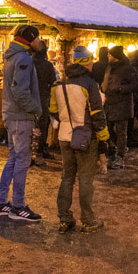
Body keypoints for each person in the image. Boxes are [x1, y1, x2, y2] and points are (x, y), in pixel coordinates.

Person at [53, 45, 107, 232]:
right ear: (86, 63)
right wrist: (103, 139)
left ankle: (65, 218)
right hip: (84, 137)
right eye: (91, 62)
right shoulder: (90, 84)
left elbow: (53, 109)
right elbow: (97, 114)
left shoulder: (58, 84)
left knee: (67, 177)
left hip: (64, 136)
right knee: (85, 179)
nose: (92, 65)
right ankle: (88, 220)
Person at [0, 24, 43, 223]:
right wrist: (34, 108)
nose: (40, 42)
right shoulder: (23, 59)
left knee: (13, 157)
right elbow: (20, 91)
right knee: (22, 159)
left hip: (12, 115)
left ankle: (1, 202)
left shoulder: (12, 57)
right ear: (30, 39)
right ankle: (18, 206)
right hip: (20, 117)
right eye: (37, 38)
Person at [103, 44, 138, 168]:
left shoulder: (128, 69)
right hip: (109, 103)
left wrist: (120, 88)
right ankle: (113, 151)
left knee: (121, 132)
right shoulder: (109, 67)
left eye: (110, 54)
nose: (108, 55)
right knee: (108, 130)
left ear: (116, 57)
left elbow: (136, 85)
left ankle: (120, 156)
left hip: (122, 105)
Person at [33, 38, 58, 164]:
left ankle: (32, 153)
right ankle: (39, 153)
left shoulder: (29, 63)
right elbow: (53, 82)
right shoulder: (47, 66)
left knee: (32, 127)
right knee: (42, 127)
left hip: (31, 99)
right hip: (43, 99)